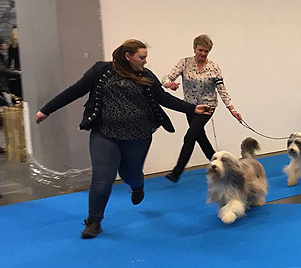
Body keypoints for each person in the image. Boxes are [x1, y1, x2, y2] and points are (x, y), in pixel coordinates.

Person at [35, 39, 212, 239]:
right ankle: (94, 221)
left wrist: (192, 108)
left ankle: (137, 186)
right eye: (142, 57)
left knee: (130, 174)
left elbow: (163, 98)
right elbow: (75, 90)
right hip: (104, 133)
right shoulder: (101, 71)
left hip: (138, 135)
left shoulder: (146, 76)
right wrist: (46, 110)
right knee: (103, 178)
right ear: (128, 56)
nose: (145, 61)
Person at [161, 34, 242, 182]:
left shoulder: (214, 68)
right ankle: (220, 164)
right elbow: (166, 78)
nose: (203, 54)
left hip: (207, 107)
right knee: (200, 136)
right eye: (200, 50)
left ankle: (176, 172)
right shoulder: (184, 63)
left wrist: (232, 109)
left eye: (206, 51)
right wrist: (168, 84)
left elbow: (222, 90)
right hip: (190, 107)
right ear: (194, 49)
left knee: (190, 136)